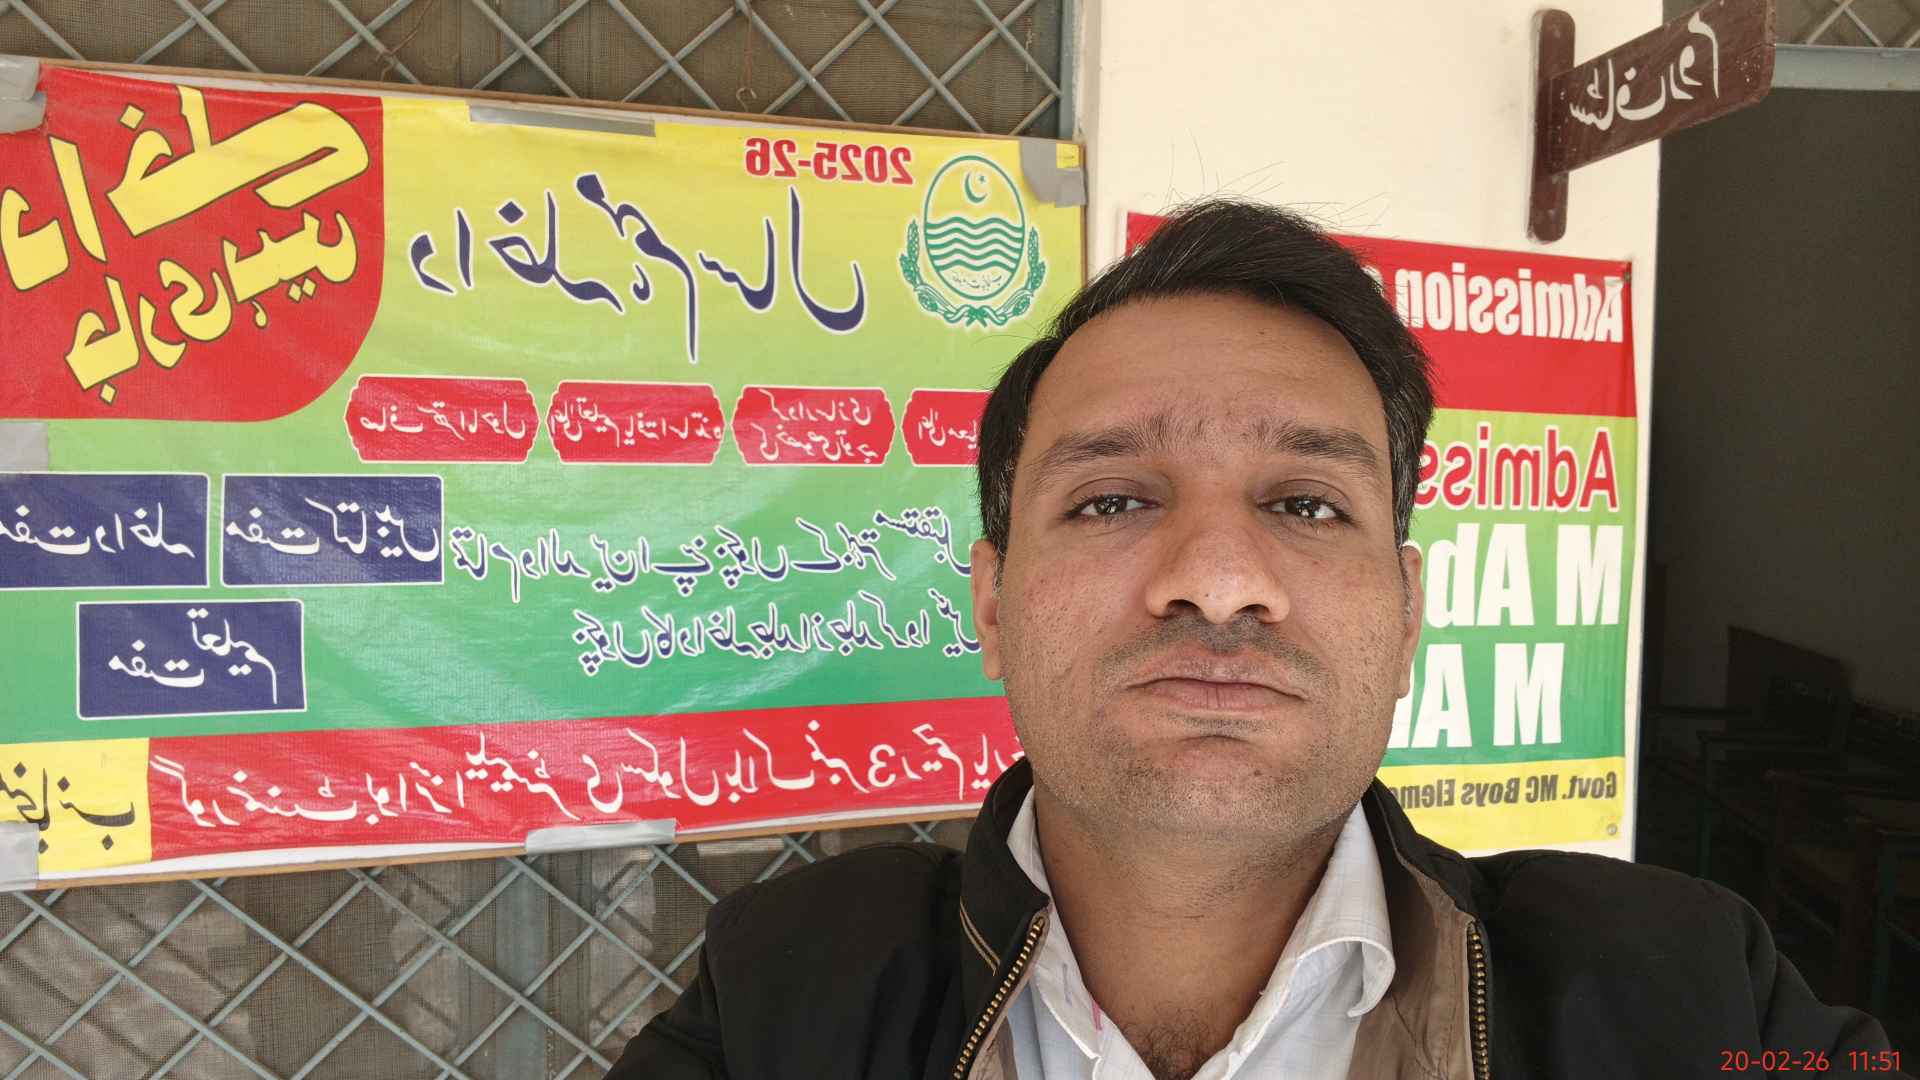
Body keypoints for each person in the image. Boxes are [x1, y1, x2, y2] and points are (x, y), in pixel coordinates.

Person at [606, 199, 1903, 1080]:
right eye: (1113, 500)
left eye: (1307, 505)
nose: (1221, 583)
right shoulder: (789, 993)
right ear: (992, 603)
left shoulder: (1687, 992)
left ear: (1407, 613)